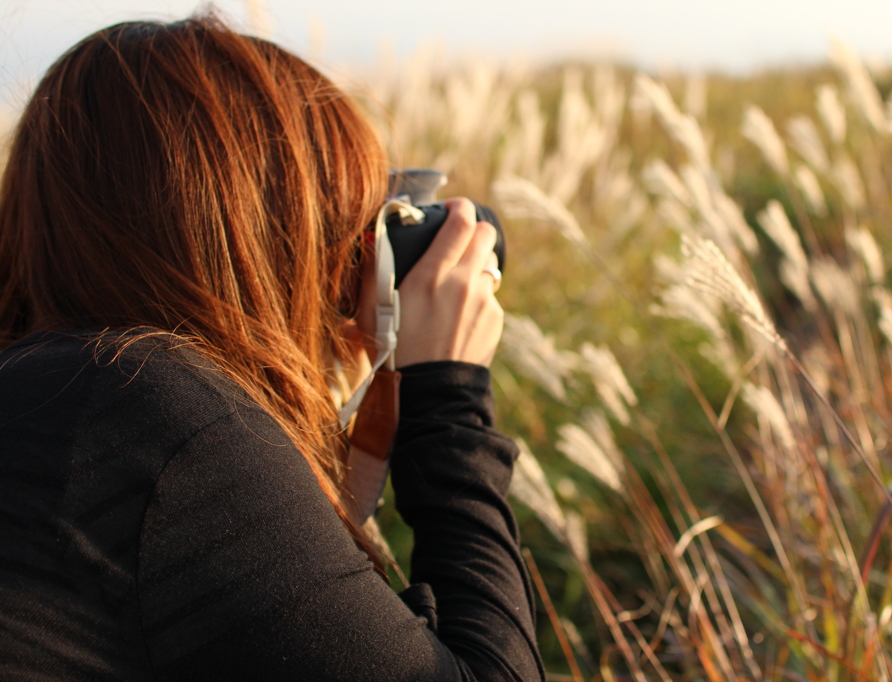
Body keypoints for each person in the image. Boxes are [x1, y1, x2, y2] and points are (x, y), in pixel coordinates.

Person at [0, 15, 544, 681]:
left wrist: (361, 430)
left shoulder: (56, 396)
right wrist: (449, 393)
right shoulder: (150, 410)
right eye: (344, 225)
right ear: (264, 229)